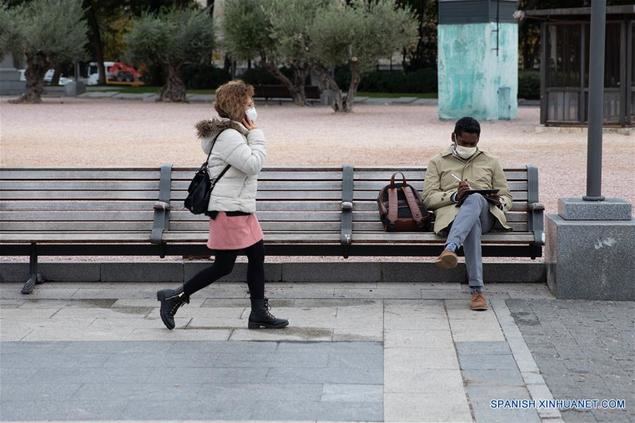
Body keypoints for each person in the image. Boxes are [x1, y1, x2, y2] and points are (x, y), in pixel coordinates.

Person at [157, 80, 288, 330]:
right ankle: (175, 297)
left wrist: (250, 133)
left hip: (240, 208)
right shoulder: (229, 136)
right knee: (223, 266)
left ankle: (258, 312)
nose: (253, 108)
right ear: (238, 106)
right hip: (230, 210)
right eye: (249, 104)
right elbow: (252, 164)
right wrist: (257, 133)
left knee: (256, 257)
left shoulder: (236, 134)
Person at [422, 117, 512, 311]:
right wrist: (455, 196)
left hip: (487, 216)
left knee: (476, 198)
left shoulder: (491, 161)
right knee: (472, 224)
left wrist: (500, 201)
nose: (468, 146)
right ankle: (477, 292)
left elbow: (506, 196)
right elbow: (428, 198)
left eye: (473, 144)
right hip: (452, 219)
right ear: (453, 137)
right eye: (464, 143)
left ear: (478, 140)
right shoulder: (437, 162)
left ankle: (450, 248)